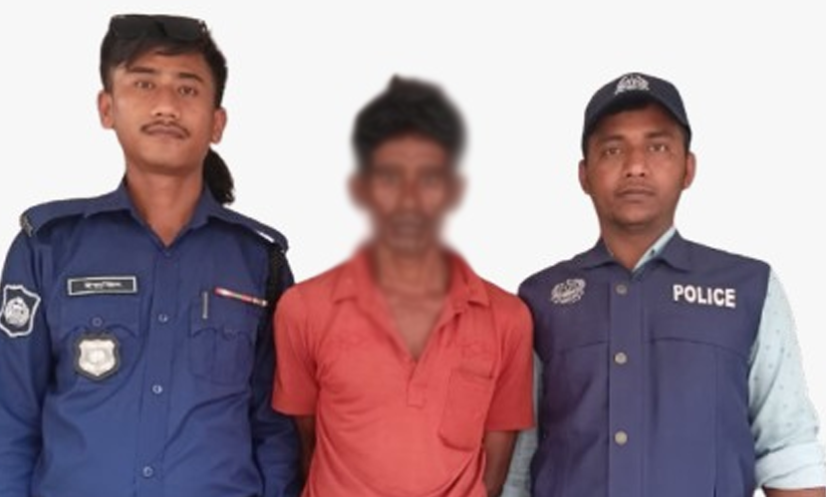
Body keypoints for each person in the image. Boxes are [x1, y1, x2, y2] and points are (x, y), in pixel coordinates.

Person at [0, 14, 299, 497]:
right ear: (107, 108)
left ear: (217, 122)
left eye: (187, 89)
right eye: (143, 83)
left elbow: (276, 431)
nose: (166, 105)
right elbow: (10, 420)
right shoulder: (48, 247)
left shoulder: (259, 262)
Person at [503, 72, 826, 497]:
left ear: (688, 168)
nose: (635, 166)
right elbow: (517, 466)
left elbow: (789, 450)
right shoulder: (540, 298)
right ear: (584, 175)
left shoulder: (749, 288)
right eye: (612, 149)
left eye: (657, 147)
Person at [271, 76, 534, 497]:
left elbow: (496, 460)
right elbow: (307, 443)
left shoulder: (507, 318)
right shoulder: (303, 309)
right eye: (390, 177)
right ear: (362, 188)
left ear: (453, 190)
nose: (409, 199)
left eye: (428, 178)